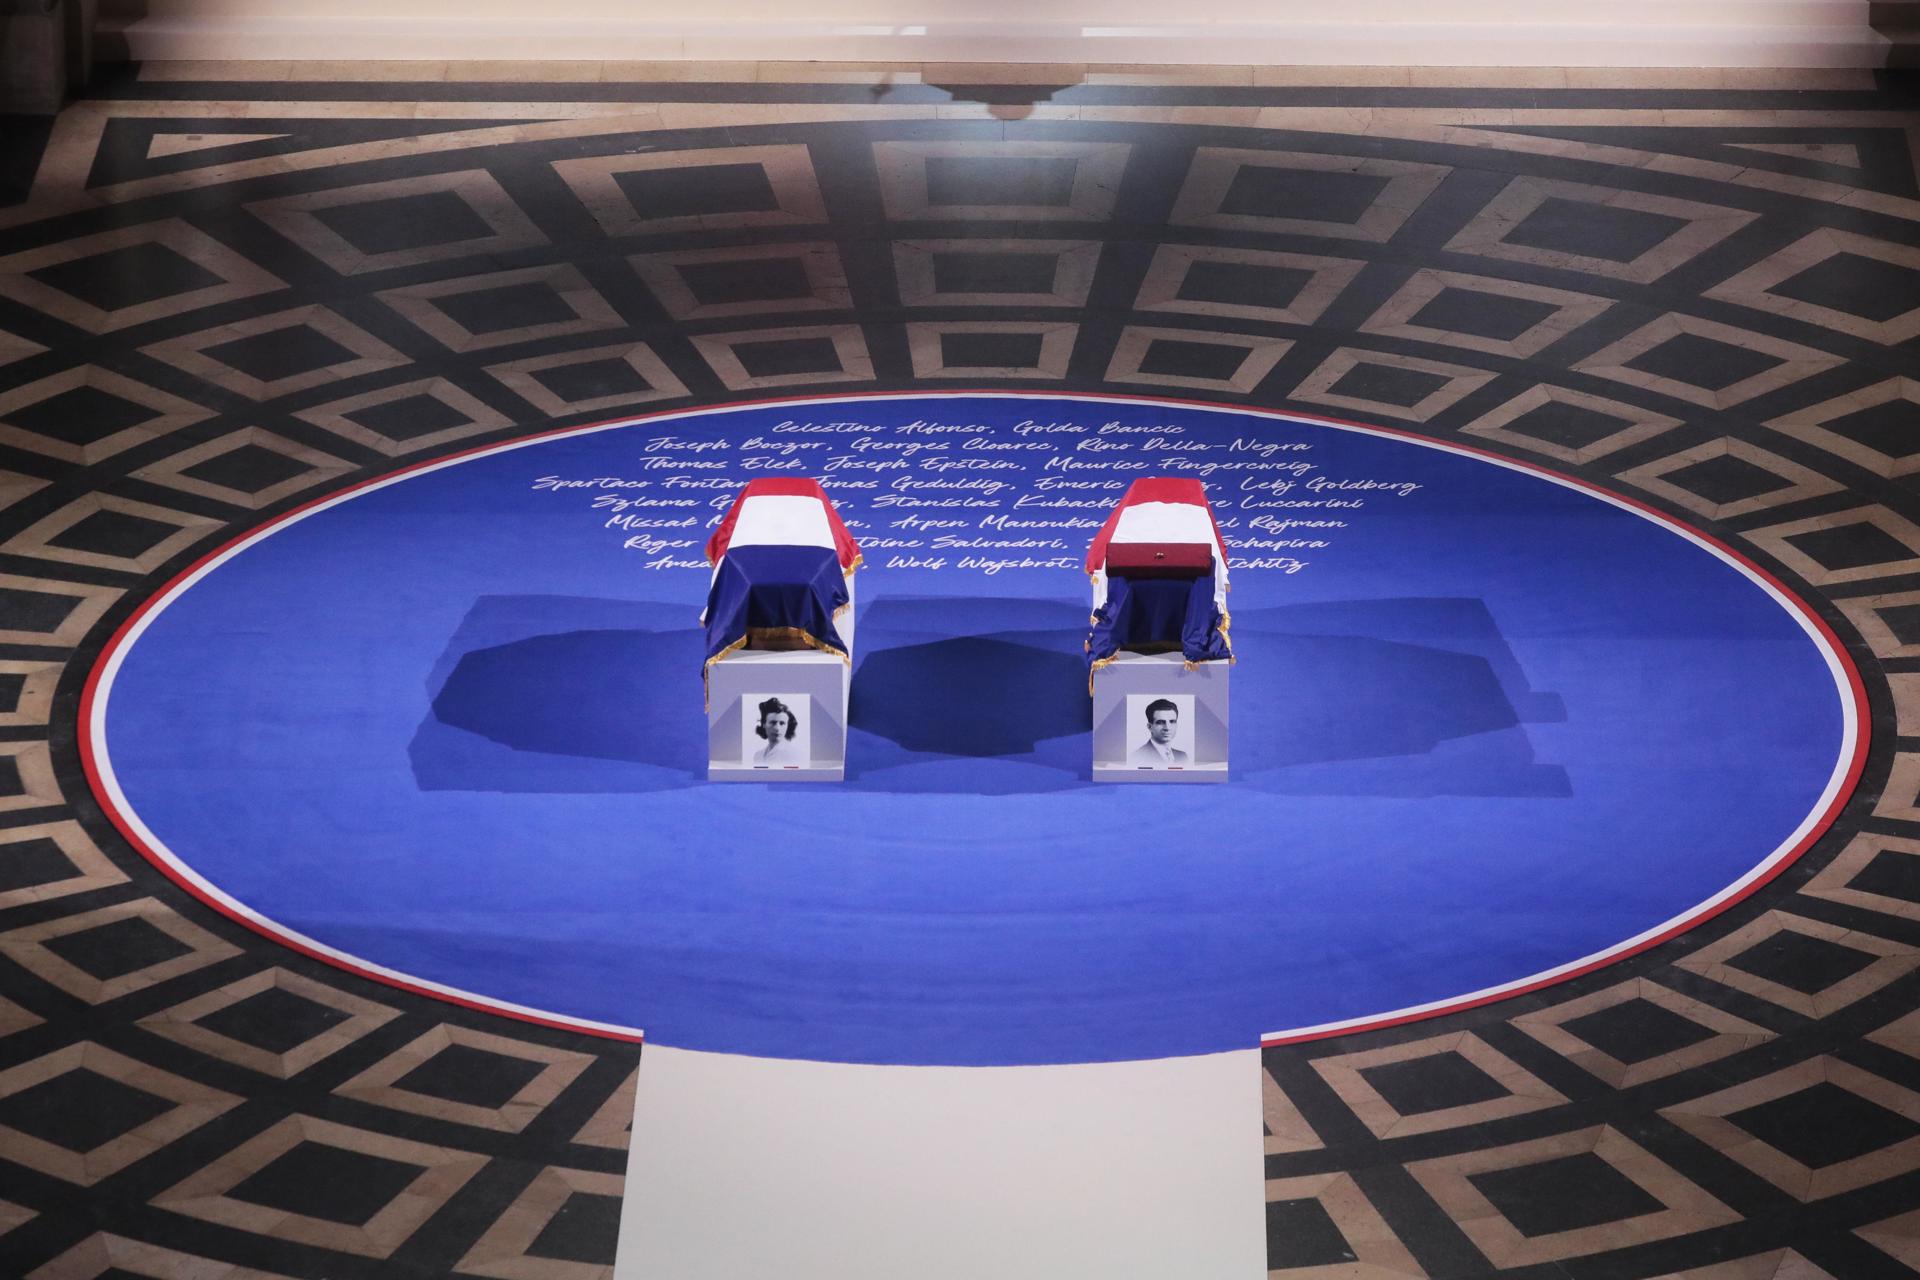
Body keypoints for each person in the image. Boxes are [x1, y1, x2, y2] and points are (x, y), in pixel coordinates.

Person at [1129, 698, 1189, 766]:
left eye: (1172, 721)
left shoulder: (1182, 756)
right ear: (1149, 727)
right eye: (1160, 722)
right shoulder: (1137, 757)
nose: (1167, 728)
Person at [753, 697, 802, 764]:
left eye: (782, 723)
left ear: (787, 726)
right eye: (773, 723)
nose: (777, 728)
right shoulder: (758, 756)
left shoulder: (794, 755)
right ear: (764, 724)